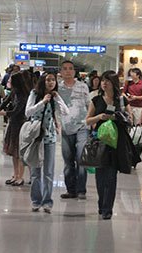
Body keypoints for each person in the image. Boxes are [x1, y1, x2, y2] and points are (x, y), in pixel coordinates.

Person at [86, 70, 133, 220]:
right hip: (100, 141)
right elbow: (87, 120)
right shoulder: (96, 100)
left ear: (114, 83)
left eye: (107, 80)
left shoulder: (121, 100)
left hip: (116, 143)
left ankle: (108, 209)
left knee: (111, 176)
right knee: (100, 176)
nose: (104, 83)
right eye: (102, 80)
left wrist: (119, 117)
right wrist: (99, 117)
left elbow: (130, 119)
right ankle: (102, 204)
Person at [25, 73, 69, 213]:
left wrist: (58, 99)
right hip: (36, 136)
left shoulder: (55, 96)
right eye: (48, 80)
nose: (50, 82)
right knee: (35, 171)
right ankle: (36, 200)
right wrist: (42, 102)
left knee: (49, 172)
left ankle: (47, 202)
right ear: (42, 81)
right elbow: (28, 112)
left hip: (50, 137)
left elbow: (66, 112)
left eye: (53, 80)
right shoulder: (34, 93)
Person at [58, 60, 90, 200]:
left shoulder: (83, 87)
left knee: (81, 158)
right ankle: (71, 189)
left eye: (70, 68)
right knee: (68, 161)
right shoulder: (57, 89)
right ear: (61, 71)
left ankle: (81, 189)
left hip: (82, 127)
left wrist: (90, 121)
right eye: (65, 69)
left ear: (75, 71)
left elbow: (89, 104)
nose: (68, 71)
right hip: (65, 128)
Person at [0, 71, 29, 186]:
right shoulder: (14, 92)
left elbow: (15, 112)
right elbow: (5, 101)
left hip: (21, 124)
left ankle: (20, 177)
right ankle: (15, 174)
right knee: (13, 152)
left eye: (10, 81)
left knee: (19, 152)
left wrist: (1, 113)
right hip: (13, 124)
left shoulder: (23, 96)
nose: (7, 82)